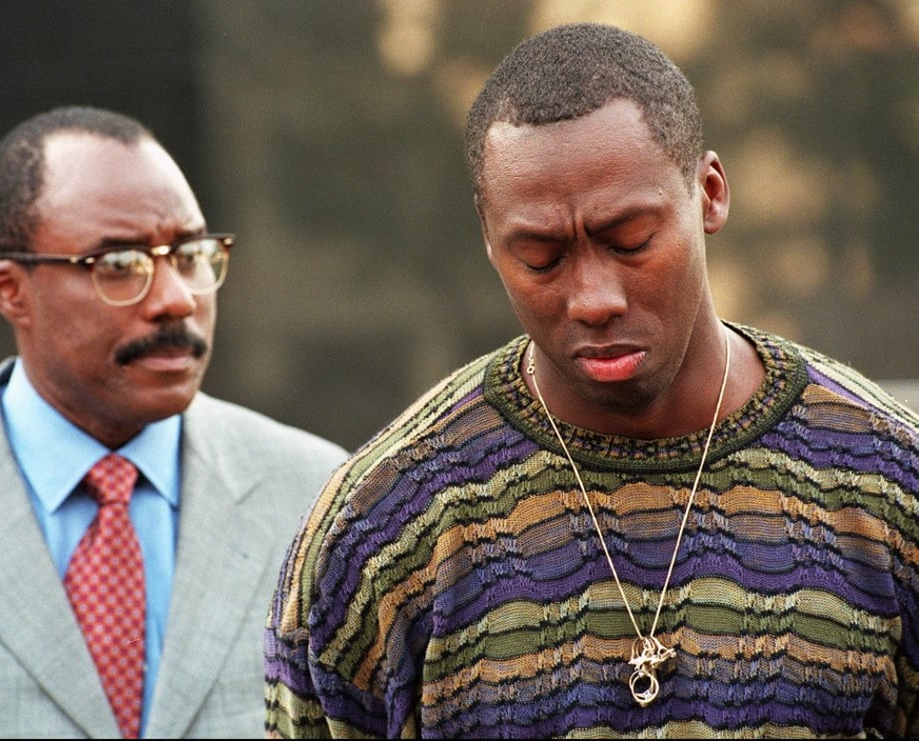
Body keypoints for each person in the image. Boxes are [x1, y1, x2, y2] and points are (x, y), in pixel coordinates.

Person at [263, 22, 919, 739]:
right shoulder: (385, 528)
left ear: (709, 194)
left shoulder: (887, 481)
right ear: (489, 242)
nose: (593, 297)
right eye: (541, 256)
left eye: (631, 239)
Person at [0, 105, 347, 739]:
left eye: (189, 254)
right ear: (9, 293)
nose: (175, 298)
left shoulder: (321, 497)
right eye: (118, 266)